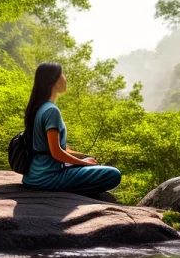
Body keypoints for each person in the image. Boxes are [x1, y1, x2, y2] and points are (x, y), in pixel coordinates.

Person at [22, 61, 121, 196]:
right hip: (47, 177)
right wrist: (84, 164)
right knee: (113, 174)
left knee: (93, 165)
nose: (65, 77)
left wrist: (84, 157)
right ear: (53, 80)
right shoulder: (51, 111)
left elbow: (57, 148)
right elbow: (56, 152)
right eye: (61, 74)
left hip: (34, 175)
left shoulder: (39, 108)